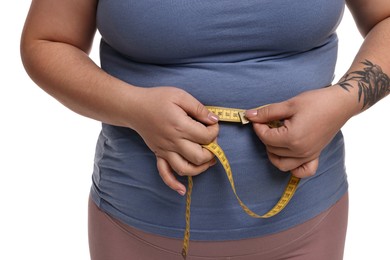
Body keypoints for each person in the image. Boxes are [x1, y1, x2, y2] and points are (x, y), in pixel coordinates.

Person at [20, 0, 389, 259]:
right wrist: (133, 108)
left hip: (308, 228)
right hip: (137, 231)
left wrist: (344, 100)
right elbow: (46, 41)